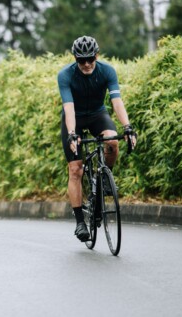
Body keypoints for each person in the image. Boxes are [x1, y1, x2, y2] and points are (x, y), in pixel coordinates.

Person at [57, 36, 137, 242]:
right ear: (75, 58)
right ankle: (80, 223)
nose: (86, 64)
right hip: (74, 118)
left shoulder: (107, 71)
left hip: (97, 115)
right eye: (81, 60)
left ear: (96, 56)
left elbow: (116, 101)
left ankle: (103, 178)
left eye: (90, 59)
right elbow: (69, 107)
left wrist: (127, 127)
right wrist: (73, 133)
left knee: (112, 141)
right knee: (75, 169)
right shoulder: (65, 75)